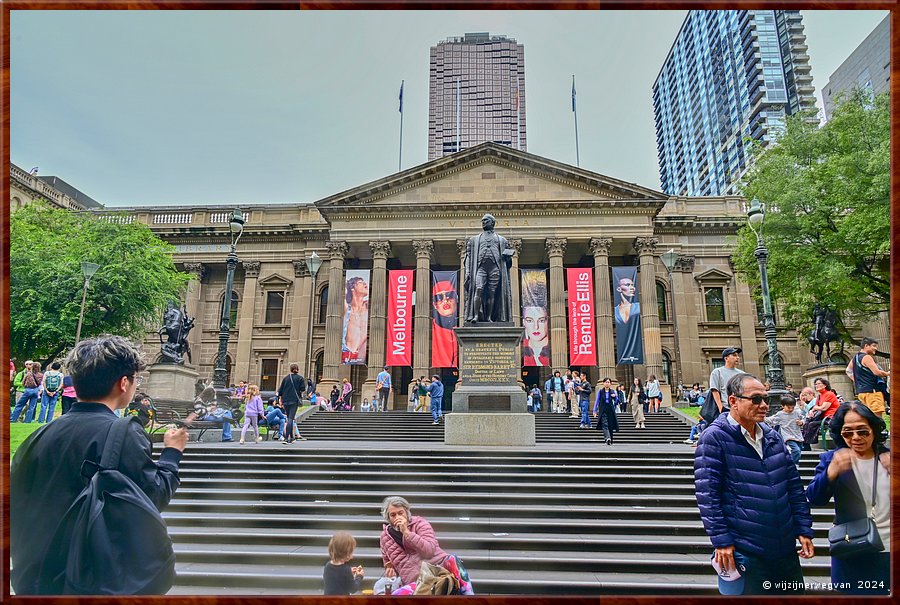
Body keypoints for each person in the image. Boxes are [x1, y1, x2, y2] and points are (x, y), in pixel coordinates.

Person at [10, 335, 188, 595]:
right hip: (91, 578)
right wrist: (172, 453)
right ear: (124, 383)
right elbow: (153, 496)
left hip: (34, 577)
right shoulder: (124, 434)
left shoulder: (37, 437)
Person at [694, 373, 814, 595]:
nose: (764, 405)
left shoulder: (772, 436)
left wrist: (803, 528)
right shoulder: (714, 438)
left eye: (765, 399)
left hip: (785, 549)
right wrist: (721, 541)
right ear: (733, 401)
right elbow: (707, 495)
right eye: (756, 399)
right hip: (746, 550)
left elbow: (793, 486)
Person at [805, 401, 890, 595]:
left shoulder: (889, 457)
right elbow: (814, 498)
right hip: (854, 548)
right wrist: (830, 473)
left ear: (874, 430)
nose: (856, 438)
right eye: (848, 433)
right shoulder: (832, 458)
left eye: (863, 431)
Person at [379, 496, 474, 595]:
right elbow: (388, 564)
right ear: (388, 518)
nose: (397, 517)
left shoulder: (420, 523)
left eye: (400, 513)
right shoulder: (384, 538)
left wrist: (407, 533)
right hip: (415, 581)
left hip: (438, 569)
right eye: (393, 515)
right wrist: (390, 571)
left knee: (454, 562)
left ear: (407, 512)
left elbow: (429, 551)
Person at [463, 213, 514, 324]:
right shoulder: (474, 240)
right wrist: (467, 272)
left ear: (493, 222)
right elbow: (468, 257)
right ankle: (475, 315)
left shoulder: (502, 240)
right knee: (479, 288)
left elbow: (508, 263)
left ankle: (489, 317)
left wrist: (508, 258)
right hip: (481, 268)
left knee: (492, 293)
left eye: (486, 220)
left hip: (495, 268)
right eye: (482, 221)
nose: (484, 222)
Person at [848, 337, 890, 419]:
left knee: (867, 418)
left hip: (861, 393)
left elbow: (848, 371)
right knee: (877, 418)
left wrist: (858, 381)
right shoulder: (867, 357)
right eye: (873, 346)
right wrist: (888, 374)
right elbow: (877, 372)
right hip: (872, 392)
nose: (875, 348)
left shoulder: (855, 358)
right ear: (866, 345)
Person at [765, 395, 805, 467]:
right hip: (788, 436)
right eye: (789, 407)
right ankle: (793, 465)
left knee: (799, 450)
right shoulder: (780, 414)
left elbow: (803, 418)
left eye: (792, 407)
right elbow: (771, 420)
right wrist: (762, 418)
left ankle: (789, 461)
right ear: (783, 406)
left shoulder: (796, 413)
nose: (791, 409)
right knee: (796, 450)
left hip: (797, 434)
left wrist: (801, 422)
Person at [802, 377, 841, 446]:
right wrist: (811, 411)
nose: (816, 385)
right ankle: (805, 443)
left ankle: (807, 443)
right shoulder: (819, 396)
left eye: (819, 383)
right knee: (807, 422)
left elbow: (823, 408)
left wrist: (816, 407)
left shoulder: (829, 394)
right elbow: (815, 408)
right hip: (822, 417)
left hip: (831, 417)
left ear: (825, 385)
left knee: (812, 424)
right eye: (815, 384)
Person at [323, 531, 365, 595]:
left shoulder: (327, 566)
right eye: (351, 552)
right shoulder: (346, 570)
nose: (352, 556)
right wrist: (359, 576)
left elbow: (335, 581)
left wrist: (349, 574)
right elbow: (353, 589)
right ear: (346, 553)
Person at [708, 346, 745, 417]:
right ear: (726, 358)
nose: (737, 357)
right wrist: (720, 408)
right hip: (725, 408)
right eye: (734, 355)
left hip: (739, 408)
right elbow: (715, 390)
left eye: (738, 356)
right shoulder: (717, 372)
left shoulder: (742, 374)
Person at [431, 281, 459, 367]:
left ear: (456, 299)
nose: (445, 301)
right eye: (439, 297)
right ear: (434, 304)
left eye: (449, 295)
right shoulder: (434, 330)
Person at [341, 275, 369, 364]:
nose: (365, 284)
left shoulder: (368, 306)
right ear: (353, 288)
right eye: (361, 282)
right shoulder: (347, 308)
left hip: (361, 353)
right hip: (348, 354)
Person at [277, 364, 307, 444]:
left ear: (290, 369)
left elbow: (280, 390)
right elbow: (302, 389)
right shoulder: (300, 378)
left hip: (285, 400)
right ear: (297, 369)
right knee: (291, 418)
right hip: (294, 400)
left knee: (289, 418)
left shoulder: (286, 378)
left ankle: (292, 438)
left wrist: (280, 400)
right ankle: (287, 438)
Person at [593, 378, 619, 444]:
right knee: (604, 424)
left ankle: (610, 439)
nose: (607, 383)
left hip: (610, 409)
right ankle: (607, 438)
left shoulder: (612, 391)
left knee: (610, 424)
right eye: (606, 382)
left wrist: (615, 397)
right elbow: (597, 400)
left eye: (608, 382)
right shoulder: (601, 391)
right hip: (603, 409)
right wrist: (595, 410)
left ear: (610, 384)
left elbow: (616, 402)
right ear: (603, 383)